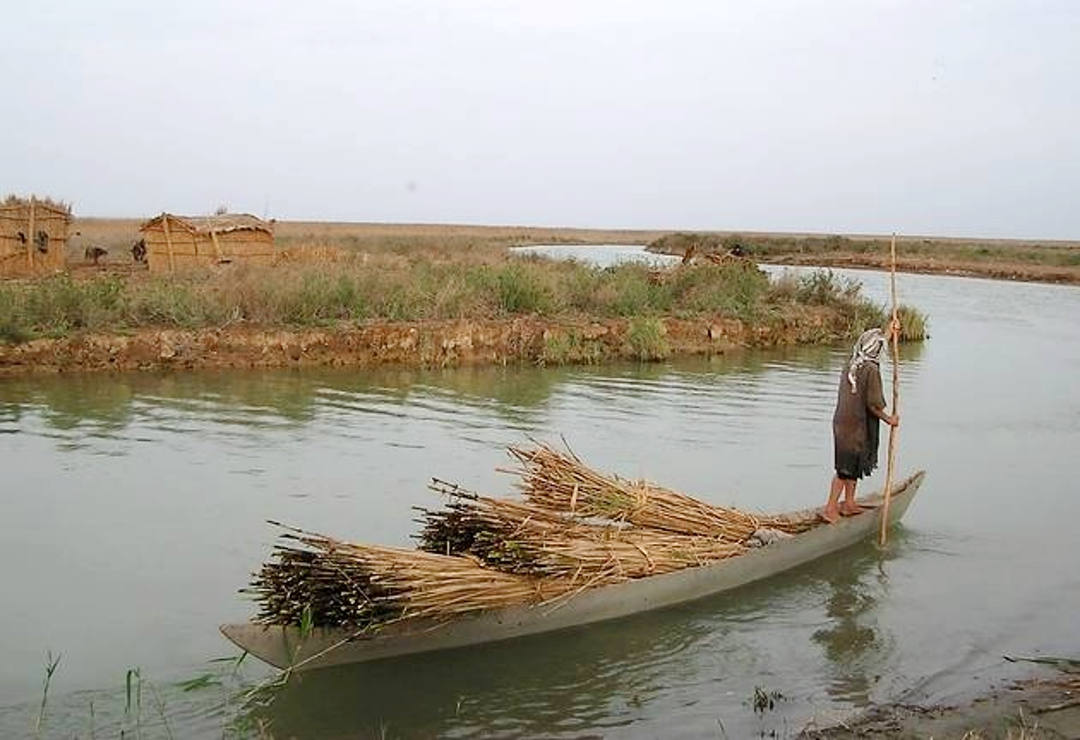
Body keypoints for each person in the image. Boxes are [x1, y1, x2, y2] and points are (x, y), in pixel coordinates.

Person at [822, 324, 900, 523]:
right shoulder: (871, 370)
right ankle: (831, 508)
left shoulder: (852, 363)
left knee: (853, 465)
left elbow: (877, 343)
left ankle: (849, 504)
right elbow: (873, 404)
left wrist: (890, 332)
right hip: (855, 425)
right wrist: (889, 419)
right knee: (844, 469)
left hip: (843, 422)